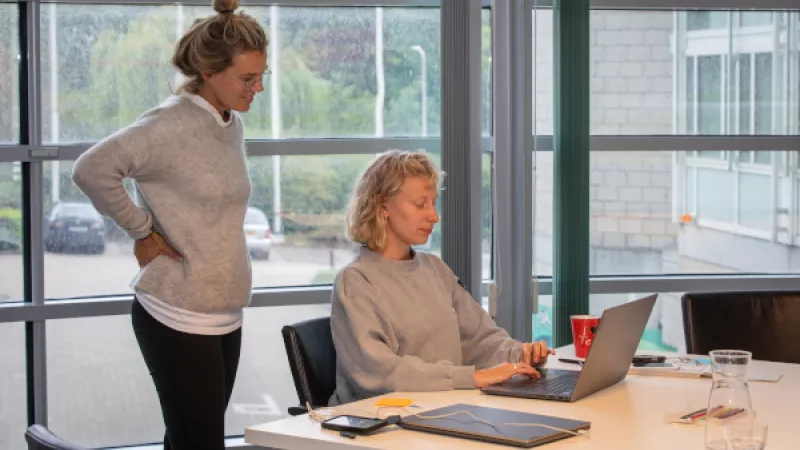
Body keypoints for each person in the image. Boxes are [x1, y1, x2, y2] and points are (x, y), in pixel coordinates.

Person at [71, 1, 268, 448]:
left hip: (225, 315)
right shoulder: (168, 124)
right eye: (247, 78)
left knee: (189, 440)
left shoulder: (229, 122)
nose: (257, 88)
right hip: (177, 314)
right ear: (209, 71)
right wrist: (142, 230)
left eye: (262, 77)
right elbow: (92, 169)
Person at [329, 150, 554, 406]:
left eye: (433, 203)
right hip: (382, 424)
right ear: (382, 207)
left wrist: (519, 355)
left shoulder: (435, 268)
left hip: (444, 410)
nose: (434, 216)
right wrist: (472, 377)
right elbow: (379, 372)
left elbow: (479, 337)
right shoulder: (356, 282)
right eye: (420, 203)